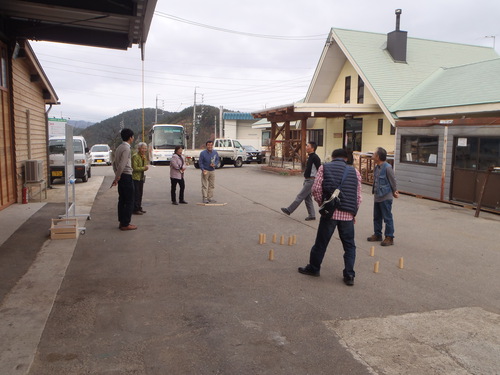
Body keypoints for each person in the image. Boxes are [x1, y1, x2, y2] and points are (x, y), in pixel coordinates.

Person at [298, 148, 362, 286]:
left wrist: (323, 204)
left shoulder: (324, 168)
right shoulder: (355, 172)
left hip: (330, 213)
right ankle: (349, 275)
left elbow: (316, 189)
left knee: (321, 242)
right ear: (346, 158)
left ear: (333, 157)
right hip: (348, 215)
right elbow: (358, 197)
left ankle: (314, 268)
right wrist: (353, 212)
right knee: (349, 245)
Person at [281, 141, 322, 221]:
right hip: (307, 180)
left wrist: (318, 181)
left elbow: (320, 169)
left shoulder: (315, 157)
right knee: (307, 198)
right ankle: (312, 215)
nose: (306, 147)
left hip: (311, 180)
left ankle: (289, 210)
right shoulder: (310, 156)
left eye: (308, 146)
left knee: (300, 196)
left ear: (312, 148)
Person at [367, 147, 399, 246]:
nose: (372, 156)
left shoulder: (387, 167)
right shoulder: (377, 167)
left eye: (374, 154)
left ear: (378, 156)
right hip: (377, 196)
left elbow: (393, 180)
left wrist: (395, 191)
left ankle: (389, 237)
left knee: (387, 217)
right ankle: (377, 234)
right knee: (376, 217)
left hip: (385, 196)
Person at [112, 128, 137, 231]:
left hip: (122, 176)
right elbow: (122, 165)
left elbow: (114, 163)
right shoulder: (126, 148)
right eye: (133, 136)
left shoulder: (119, 147)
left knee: (122, 200)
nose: (133, 138)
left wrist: (117, 175)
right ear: (130, 137)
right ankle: (126, 223)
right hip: (126, 176)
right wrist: (117, 177)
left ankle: (122, 222)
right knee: (130, 200)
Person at [132, 142, 149, 215]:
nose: (144, 150)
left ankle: (139, 207)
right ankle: (135, 209)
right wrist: (143, 168)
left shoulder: (143, 156)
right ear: (139, 148)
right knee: (136, 194)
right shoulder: (135, 156)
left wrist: (144, 166)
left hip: (141, 177)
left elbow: (145, 165)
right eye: (143, 148)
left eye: (145, 148)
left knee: (140, 194)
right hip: (135, 178)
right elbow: (134, 168)